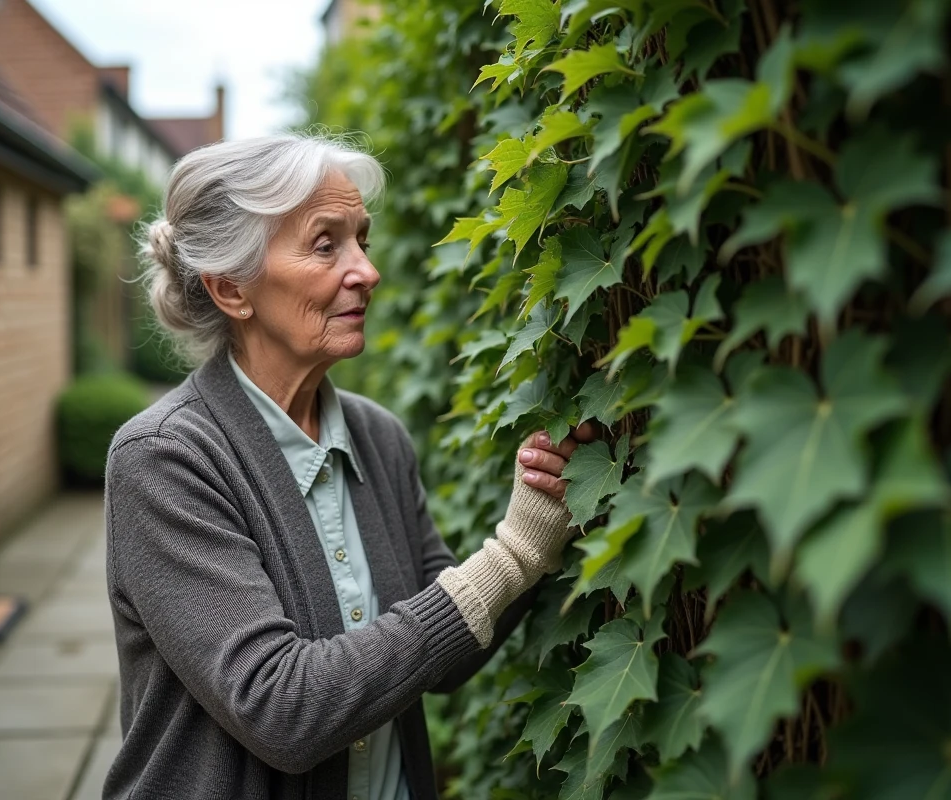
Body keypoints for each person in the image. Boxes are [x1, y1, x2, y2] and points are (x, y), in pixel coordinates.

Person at [102, 133, 594, 800]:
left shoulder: (377, 436)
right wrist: (512, 555)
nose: (367, 270)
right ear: (231, 289)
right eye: (326, 244)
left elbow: (444, 655)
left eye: (361, 237)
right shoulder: (166, 460)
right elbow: (283, 710)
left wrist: (533, 537)